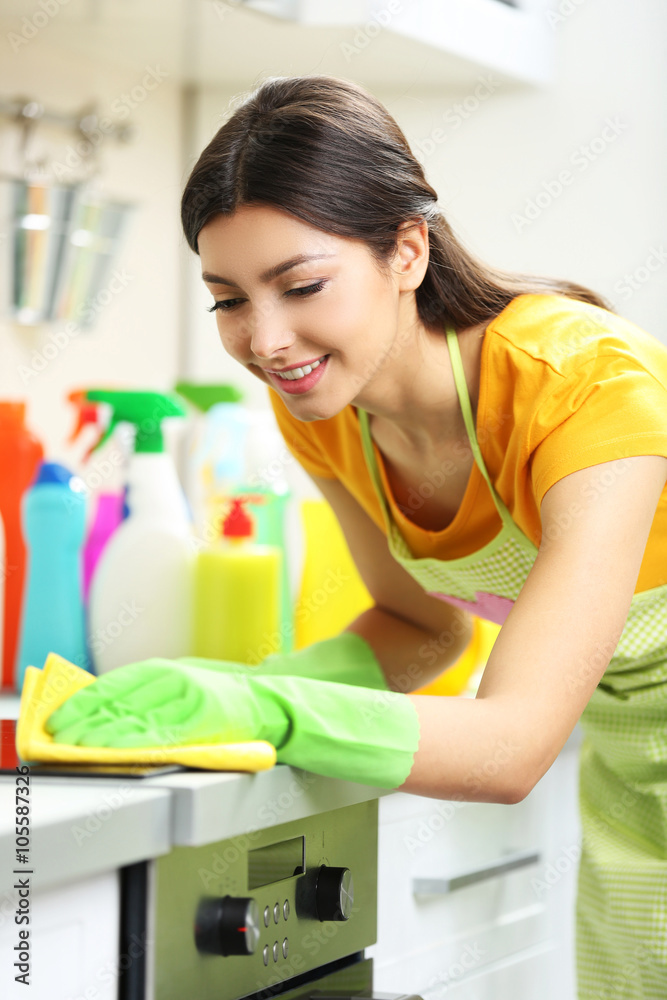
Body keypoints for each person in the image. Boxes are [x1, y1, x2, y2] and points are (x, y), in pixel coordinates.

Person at [46, 76, 667, 998]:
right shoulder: (325, 404)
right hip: (629, 765)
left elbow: (511, 747)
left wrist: (267, 714)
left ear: (407, 251)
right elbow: (422, 626)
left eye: (300, 286)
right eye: (227, 300)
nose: (266, 340)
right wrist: (238, 690)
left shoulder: (581, 384)